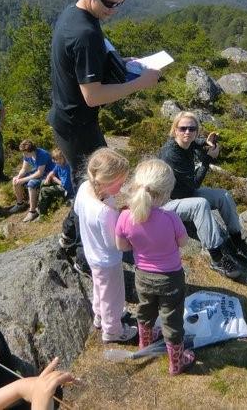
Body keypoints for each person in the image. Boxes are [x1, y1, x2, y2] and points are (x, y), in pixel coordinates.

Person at [48, 0, 159, 248]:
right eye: (110, 4)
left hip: (68, 118)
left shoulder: (74, 15)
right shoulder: (85, 34)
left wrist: (122, 63)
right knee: (95, 186)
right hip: (78, 124)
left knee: (89, 182)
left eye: (120, 4)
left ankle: (71, 236)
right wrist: (138, 83)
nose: (114, 11)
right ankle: (79, 245)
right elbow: (93, 95)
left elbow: (81, 66)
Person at [115, 158, 195, 375]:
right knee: (172, 318)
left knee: (145, 308)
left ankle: (145, 344)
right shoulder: (171, 218)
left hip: (142, 275)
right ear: (165, 192)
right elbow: (183, 243)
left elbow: (122, 246)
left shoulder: (124, 216)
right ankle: (176, 363)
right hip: (170, 278)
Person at [159, 111, 247, 279]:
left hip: (185, 194)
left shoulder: (187, 143)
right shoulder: (171, 153)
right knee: (200, 204)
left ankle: (236, 239)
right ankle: (216, 258)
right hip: (167, 202)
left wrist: (206, 142)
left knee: (224, 195)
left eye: (192, 129)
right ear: (175, 130)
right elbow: (193, 184)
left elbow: (196, 143)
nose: (187, 132)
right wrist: (207, 160)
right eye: (183, 128)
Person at [74, 148, 137, 343]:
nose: (123, 185)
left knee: (99, 287)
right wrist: (126, 223)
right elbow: (115, 243)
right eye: (120, 182)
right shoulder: (105, 213)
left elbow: (77, 210)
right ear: (107, 180)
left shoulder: (85, 187)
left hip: (92, 253)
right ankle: (113, 331)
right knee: (114, 297)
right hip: (108, 260)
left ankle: (99, 316)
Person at [9, 140, 54, 223]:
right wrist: (19, 177)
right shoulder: (27, 154)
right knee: (15, 180)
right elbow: (24, 169)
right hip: (39, 172)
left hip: (48, 174)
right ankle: (20, 204)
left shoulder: (42, 154)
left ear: (31, 151)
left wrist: (24, 179)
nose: (24, 155)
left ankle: (32, 211)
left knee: (31, 184)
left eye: (25, 153)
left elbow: (40, 173)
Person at [38, 149, 74, 215]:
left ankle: (42, 214)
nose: (57, 161)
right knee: (43, 182)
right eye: (55, 160)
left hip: (66, 190)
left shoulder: (67, 168)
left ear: (63, 157)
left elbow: (64, 185)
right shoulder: (59, 164)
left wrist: (53, 178)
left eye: (59, 159)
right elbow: (52, 172)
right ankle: (42, 205)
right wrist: (48, 178)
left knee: (44, 190)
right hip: (61, 184)